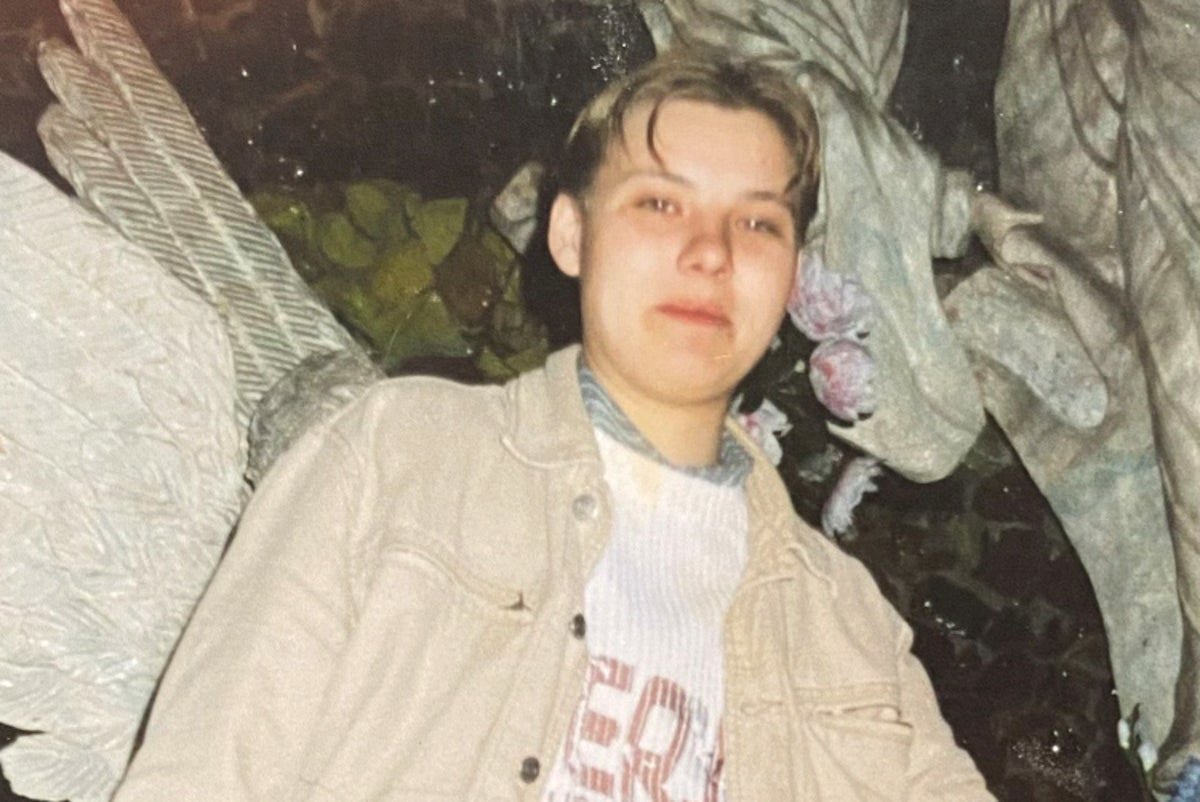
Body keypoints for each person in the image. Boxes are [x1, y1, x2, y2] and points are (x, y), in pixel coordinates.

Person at [112, 48, 993, 801]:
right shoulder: (400, 458)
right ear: (570, 235)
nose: (712, 252)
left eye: (757, 221)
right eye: (660, 203)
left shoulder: (842, 617)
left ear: (792, 272)